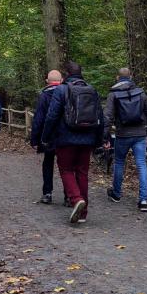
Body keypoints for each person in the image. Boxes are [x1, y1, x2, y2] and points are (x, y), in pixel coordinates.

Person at [42, 61, 104, 224]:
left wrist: (46, 137)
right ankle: (83, 214)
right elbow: (100, 117)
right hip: (88, 138)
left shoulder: (62, 90)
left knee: (66, 170)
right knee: (82, 173)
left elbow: (52, 116)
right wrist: (99, 140)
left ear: (66, 75)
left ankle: (77, 200)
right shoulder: (92, 90)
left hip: (65, 138)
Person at [103, 67, 147, 212]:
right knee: (142, 164)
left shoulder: (113, 95)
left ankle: (116, 194)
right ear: (131, 77)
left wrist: (105, 137)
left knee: (119, 162)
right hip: (140, 134)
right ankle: (143, 200)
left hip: (122, 134)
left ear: (117, 78)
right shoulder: (141, 93)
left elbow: (107, 117)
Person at [30, 69, 66, 205]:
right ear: (61, 80)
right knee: (66, 166)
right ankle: (68, 195)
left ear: (47, 81)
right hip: (65, 135)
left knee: (48, 163)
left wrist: (34, 139)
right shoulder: (67, 93)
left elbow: (38, 119)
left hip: (48, 136)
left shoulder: (44, 96)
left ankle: (47, 193)